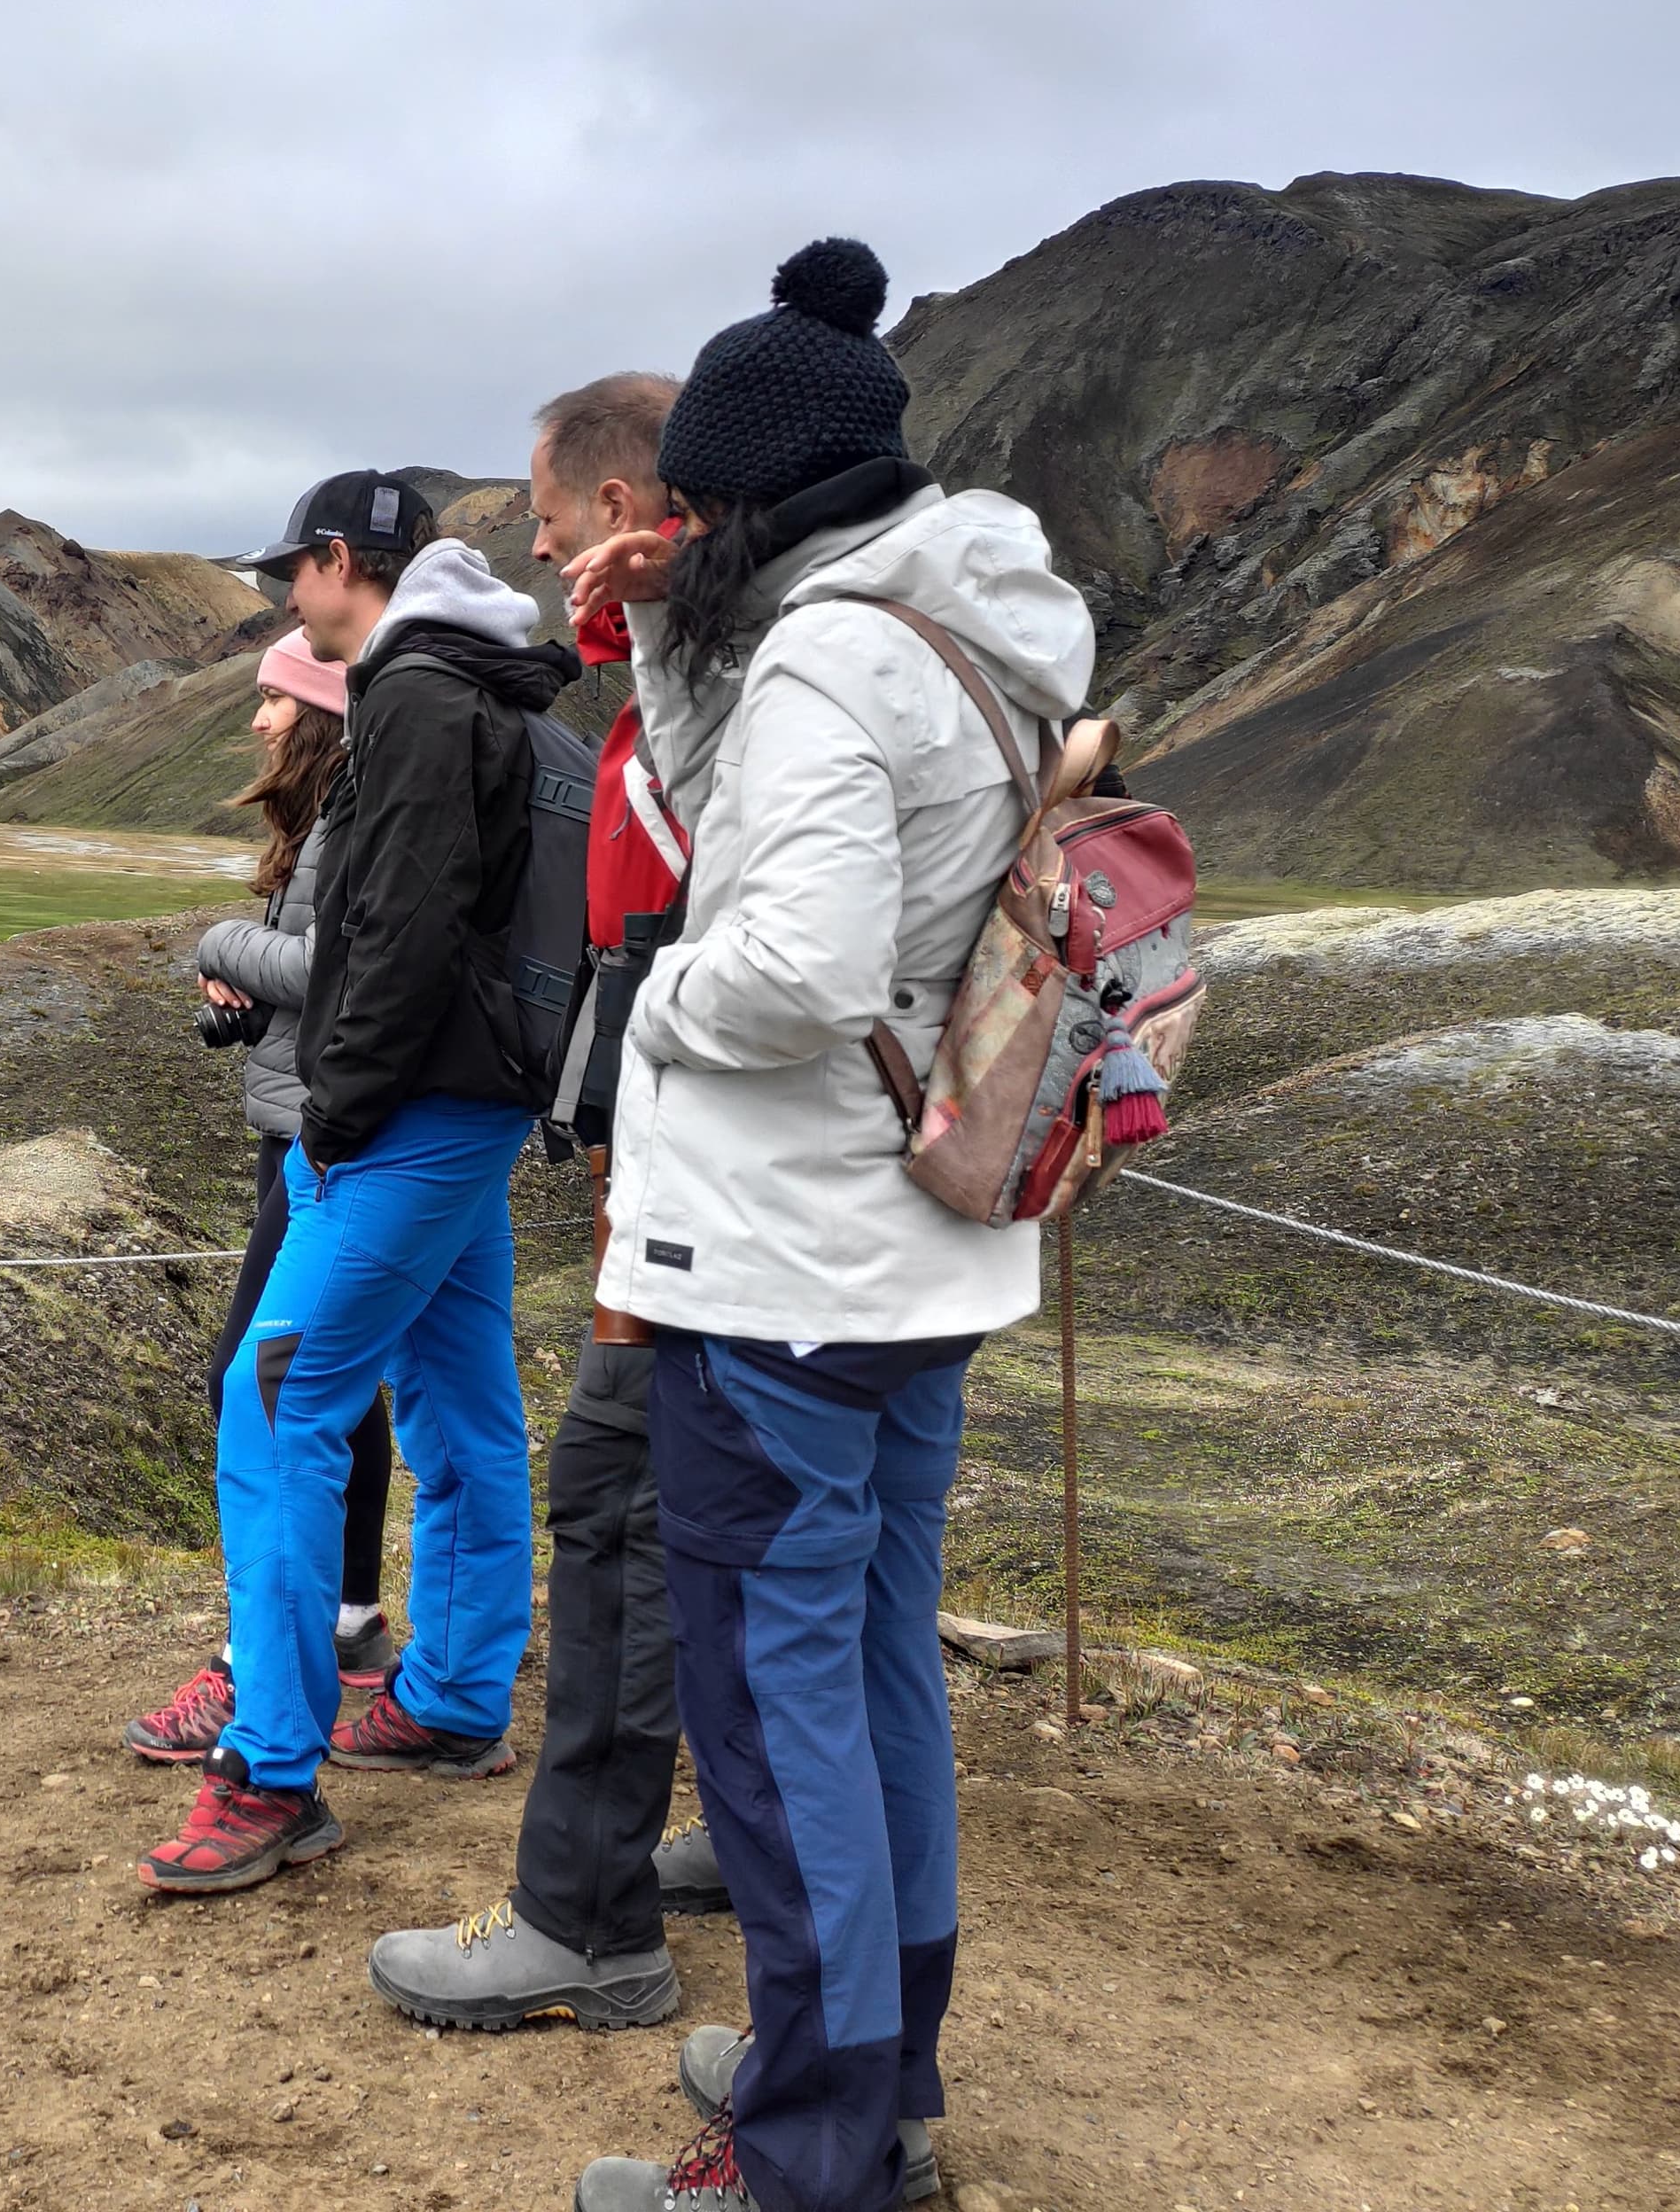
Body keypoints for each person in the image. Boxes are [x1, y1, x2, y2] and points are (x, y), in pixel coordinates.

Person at [564, 242, 1094, 2212]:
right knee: (873, 1683)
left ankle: (810, 2154)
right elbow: (746, 803)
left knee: (777, 1718)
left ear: (750, 501)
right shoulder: (956, 622)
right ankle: (876, 2076)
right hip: (917, 1258)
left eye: (693, 515)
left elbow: (791, 958)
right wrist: (667, 629)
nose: (675, 538)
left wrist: (650, 1005)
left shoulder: (823, 658)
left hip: (789, 1267)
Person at [139, 472, 577, 1895]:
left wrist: (335, 1115)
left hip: (410, 1117)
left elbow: (394, 934)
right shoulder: (508, 692)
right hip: (482, 1102)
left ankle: (271, 1767)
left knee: (273, 1402)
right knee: (460, 1399)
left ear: (341, 561)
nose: (287, 599)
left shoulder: (416, 697)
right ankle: (452, 1697)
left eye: (294, 574)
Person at [363, 372, 728, 2031]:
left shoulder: (715, 707)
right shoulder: (689, 693)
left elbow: (707, 976)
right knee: (723, 1530)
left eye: (550, 511)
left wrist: (639, 1211)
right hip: (700, 1208)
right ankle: (744, 1842)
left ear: (626, 512)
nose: (535, 542)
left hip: (698, 1221)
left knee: (617, 1514)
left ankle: (586, 1919)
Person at [124, 631, 402, 1761]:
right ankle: (350, 1619)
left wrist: (223, 943)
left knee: (256, 1381)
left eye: (275, 701)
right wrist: (246, 1005)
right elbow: (315, 984)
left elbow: (337, 962)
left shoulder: (350, 819)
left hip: (324, 1133)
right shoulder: (323, 821)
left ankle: (265, 1669)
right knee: (340, 1383)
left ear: (321, 713)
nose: (256, 721)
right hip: (306, 1115)